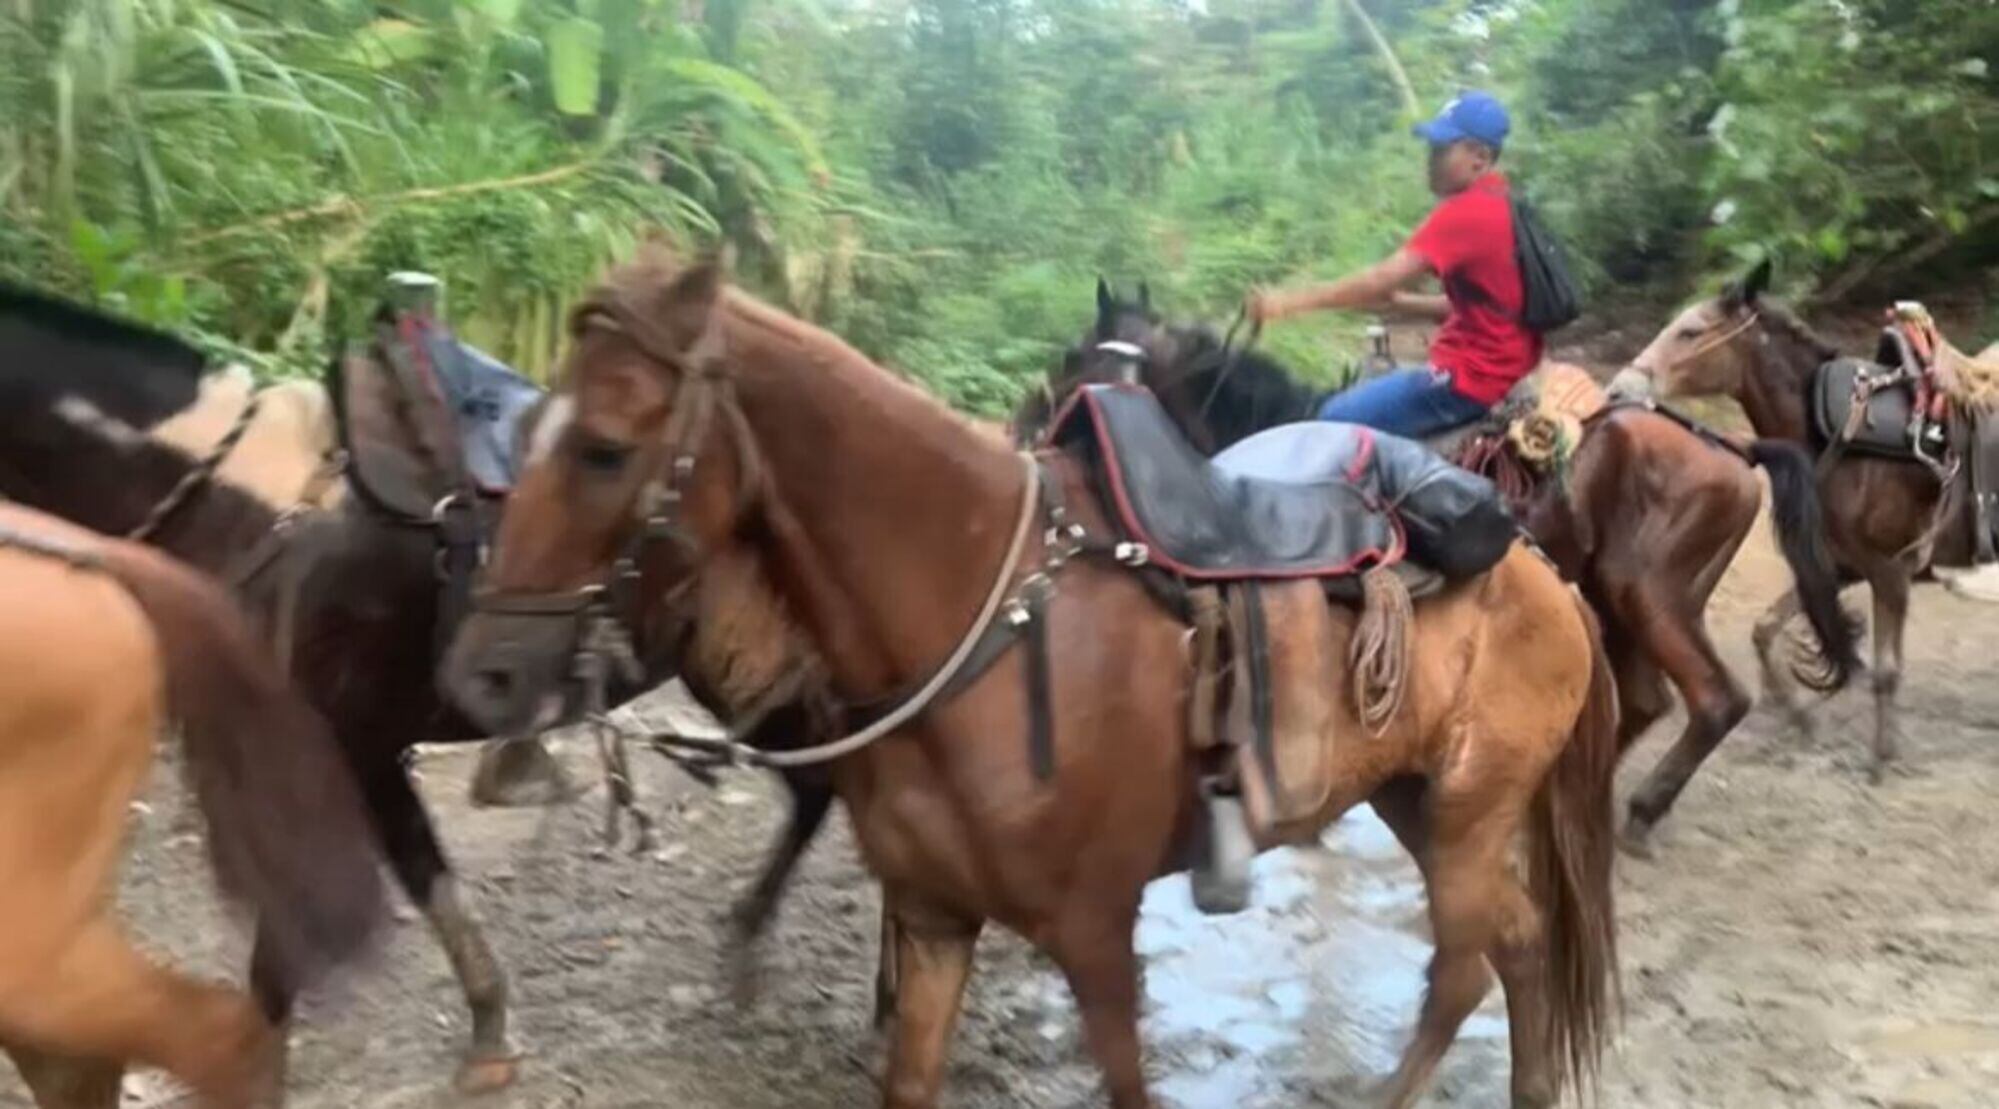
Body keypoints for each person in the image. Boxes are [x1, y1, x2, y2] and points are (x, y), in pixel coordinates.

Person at [1246, 90, 1540, 439]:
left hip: (1469, 378)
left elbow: (1379, 279)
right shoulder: (1504, 201)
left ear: (1480, 156)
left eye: (1442, 150)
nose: (1430, 161)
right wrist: (1405, 303)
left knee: (1327, 423)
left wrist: (1287, 303)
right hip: (1507, 363)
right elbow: (1490, 305)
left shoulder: (1467, 212)